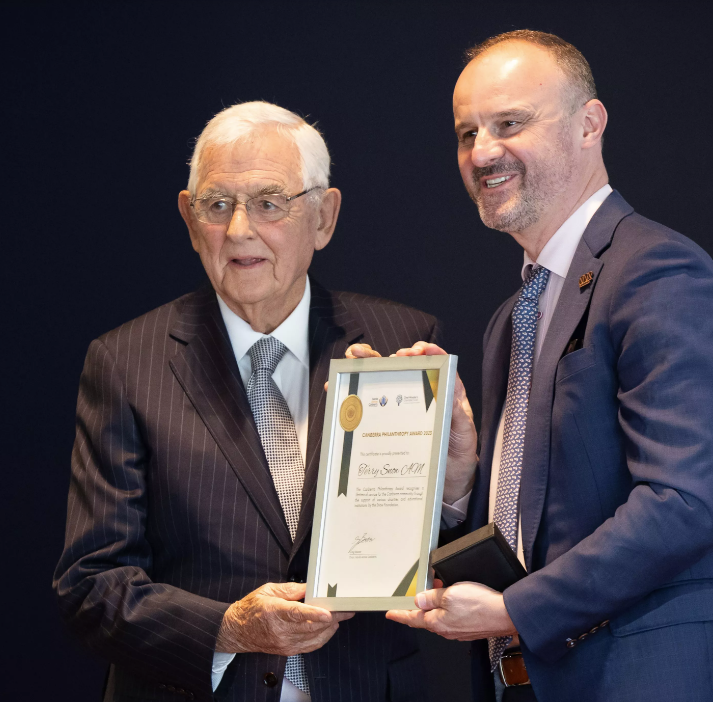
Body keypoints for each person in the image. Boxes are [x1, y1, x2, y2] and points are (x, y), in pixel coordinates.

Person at [355, 31, 713, 702]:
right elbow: (538, 522)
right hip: (527, 682)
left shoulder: (657, 273)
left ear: (589, 125)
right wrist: (461, 472)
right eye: (467, 133)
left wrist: (514, 610)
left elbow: (683, 504)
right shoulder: (512, 317)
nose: (482, 153)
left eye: (509, 124)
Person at [52, 101, 477, 702]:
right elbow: (90, 585)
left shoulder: (398, 347)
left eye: (269, 203)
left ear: (324, 217)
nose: (240, 230)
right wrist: (229, 629)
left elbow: (439, 559)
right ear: (189, 217)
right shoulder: (126, 363)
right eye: (217, 205)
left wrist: (455, 482)